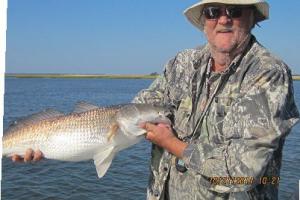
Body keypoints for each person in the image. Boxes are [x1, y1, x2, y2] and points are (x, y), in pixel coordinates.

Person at [12, 0, 299, 199]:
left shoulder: (268, 74)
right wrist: (46, 145)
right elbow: (139, 108)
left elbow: (243, 171)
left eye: (234, 10)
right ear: (204, 21)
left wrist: (171, 143)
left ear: (252, 17)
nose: (223, 19)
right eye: (213, 11)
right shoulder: (182, 63)